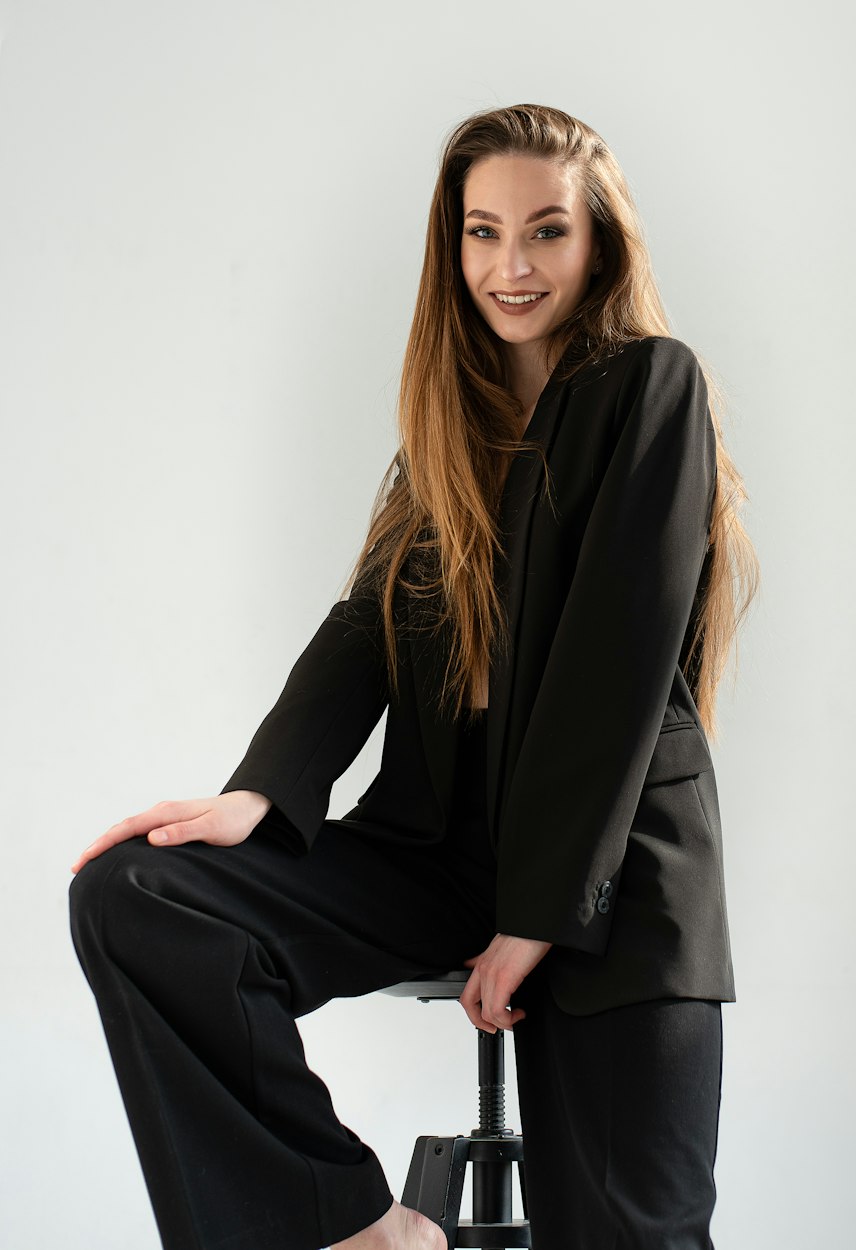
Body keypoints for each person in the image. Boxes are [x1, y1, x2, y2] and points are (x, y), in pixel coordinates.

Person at [69, 103, 758, 1250]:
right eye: (482, 234)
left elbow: (612, 669)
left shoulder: (651, 386)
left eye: (544, 231)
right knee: (138, 899)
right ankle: (353, 1226)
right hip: (441, 843)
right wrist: (261, 788)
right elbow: (364, 630)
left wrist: (538, 915)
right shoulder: (445, 430)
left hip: (613, 863)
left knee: (634, 1234)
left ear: (599, 244)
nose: (511, 265)